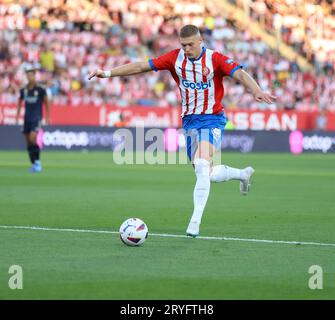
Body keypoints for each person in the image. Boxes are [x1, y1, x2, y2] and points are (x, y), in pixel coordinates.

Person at [88, 25, 276, 237]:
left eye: (190, 45)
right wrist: (107, 73)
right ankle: (242, 174)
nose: (186, 49)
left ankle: (194, 222)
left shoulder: (215, 59)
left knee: (203, 165)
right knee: (205, 172)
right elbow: (141, 66)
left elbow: (240, 74)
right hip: (189, 122)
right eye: (183, 45)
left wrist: (256, 90)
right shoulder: (174, 59)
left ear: (200, 42)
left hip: (212, 119)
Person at [16, 67, 49, 173]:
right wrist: (17, 115)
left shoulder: (40, 89)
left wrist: (47, 117)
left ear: (34, 76)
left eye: (31, 75)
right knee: (28, 141)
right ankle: (33, 163)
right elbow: (20, 102)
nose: (30, 77)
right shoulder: (24, 90)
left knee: (33, 137)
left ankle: (38, 162)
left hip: (36, 117)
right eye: (28, 75)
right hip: (27, 118)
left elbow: (46, 102)